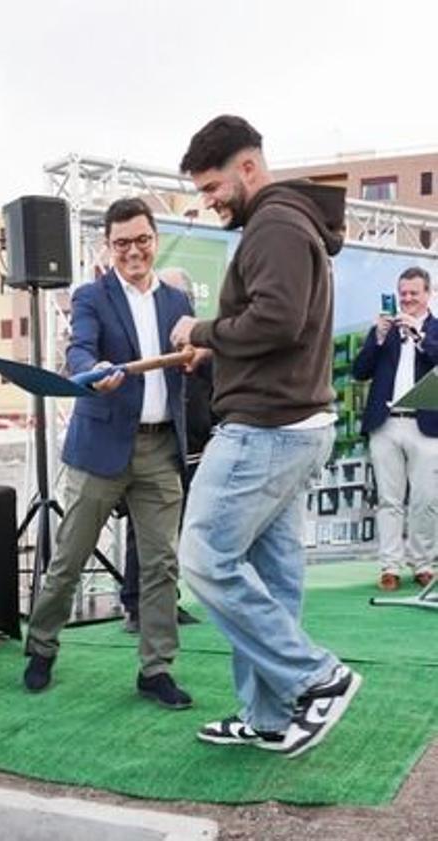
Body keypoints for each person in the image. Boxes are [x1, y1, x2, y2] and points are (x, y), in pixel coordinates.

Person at [170, 115, 361, 758]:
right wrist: (220, 353)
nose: (210, 199)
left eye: (213, 185)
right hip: (293, 427)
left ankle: (318, 678)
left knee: (202, 558)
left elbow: (276, 321)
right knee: (271, 580)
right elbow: (282, 326)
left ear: (248, 168)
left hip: (266, 431)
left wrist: (203, 333)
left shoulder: (275, 225)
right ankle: (271, 717)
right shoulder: (287, 223)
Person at [23, 197, 202, 709]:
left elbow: (190, 360)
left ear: (154, 239)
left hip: (161, 449)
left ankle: (156, 668)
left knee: (161, 565)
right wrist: (94, 368)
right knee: (69, 558)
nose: (133, 251)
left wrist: (193, 359)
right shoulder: (91, 296)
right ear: (109, 246)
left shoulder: (176, 302)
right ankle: (41, 648)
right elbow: (78, 349)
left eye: (141, 240)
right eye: (122, 243)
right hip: (99, 448)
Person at [120, 266, 214, 633]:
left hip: (193, 450)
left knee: (169, 535)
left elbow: (215, 388)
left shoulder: (201, 344)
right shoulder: (144, 340)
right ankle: (134, 606)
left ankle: (164, 603)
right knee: (142, 530)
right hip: (151, 446)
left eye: (175, 296)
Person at [352, 266, 438, 591]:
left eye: (414, 293)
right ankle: (389, 565)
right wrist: (376, 338)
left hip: (427, 424)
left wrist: (421, 336)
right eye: (402, 293)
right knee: (389, 500)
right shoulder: (382, 332)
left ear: (428, 294)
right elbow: (360, 372)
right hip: (385, 425)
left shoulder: (435, 329)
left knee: (426, 500)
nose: (407, 299)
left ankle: (424, 564)